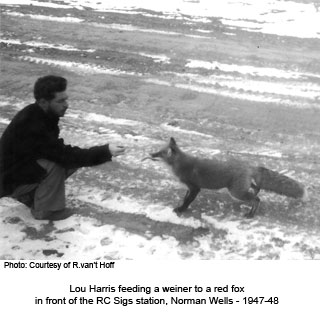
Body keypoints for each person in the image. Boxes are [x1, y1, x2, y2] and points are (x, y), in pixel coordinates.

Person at [0, 75, 125, 220]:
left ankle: (31, 195)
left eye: (66, 99)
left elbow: (57, 151)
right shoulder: (33, 125)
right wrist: (106, 151)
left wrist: (100, 152)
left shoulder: (40, 113)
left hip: (15, 171)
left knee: (71, 161)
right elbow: (63, 155)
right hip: (6, 179)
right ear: (43, 102)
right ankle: (45, 211)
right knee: (58, 165)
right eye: (60, 101)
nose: (66, 104)